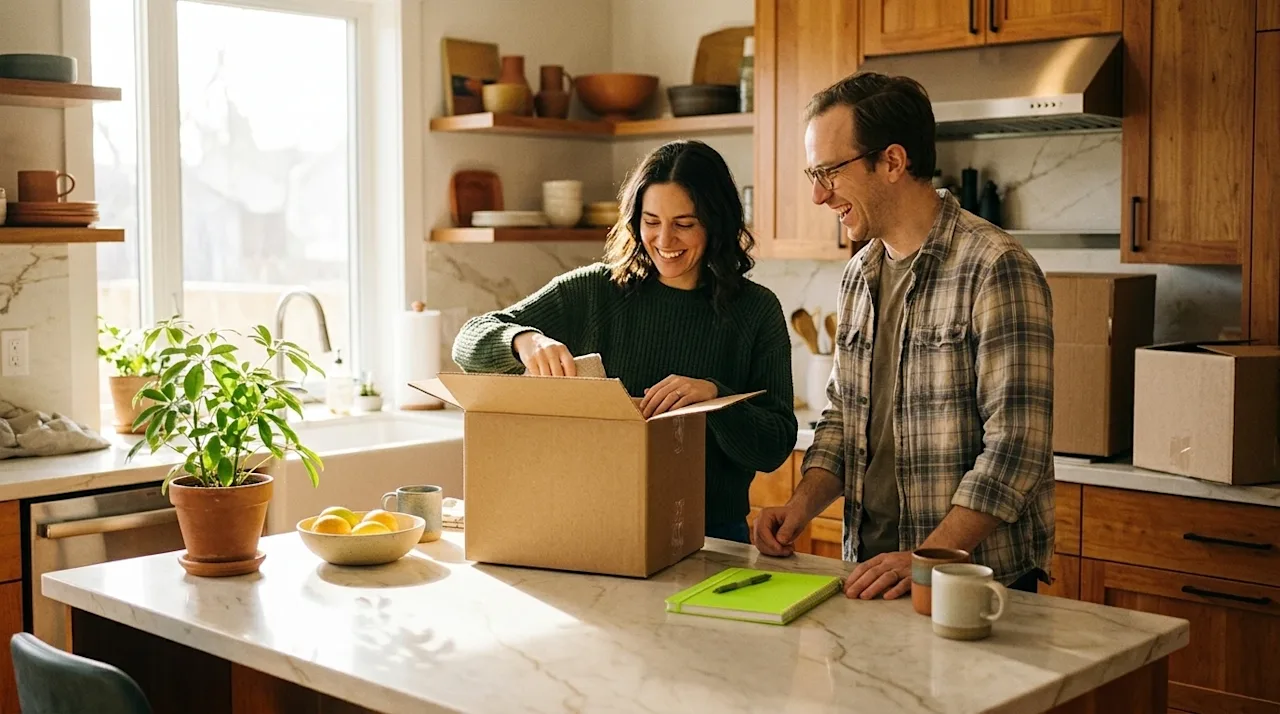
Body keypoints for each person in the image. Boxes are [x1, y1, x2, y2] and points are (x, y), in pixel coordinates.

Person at [753, 72, 1055, 598]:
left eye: (829, 172)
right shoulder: (859, 275)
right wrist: (797, 508)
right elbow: (845, 418)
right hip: (871, 572)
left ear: (892, 161)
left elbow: (1016, 450)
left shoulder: (995, 267)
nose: (819, 195)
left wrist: (923, 560)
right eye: (812, 173)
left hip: (973, 584)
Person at [452, 140, 798, 544]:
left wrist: (714, 398)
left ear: (716, 223)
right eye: (651, 221)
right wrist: (524, 341)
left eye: (684, 223)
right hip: (592, 527)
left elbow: (775, 446)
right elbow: (469, 342)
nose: (664, 240)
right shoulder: (593, 291)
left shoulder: (756, 311)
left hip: (711, 537)